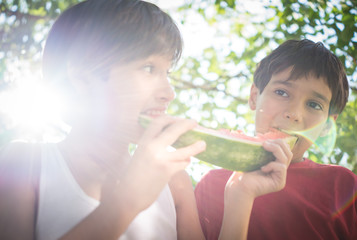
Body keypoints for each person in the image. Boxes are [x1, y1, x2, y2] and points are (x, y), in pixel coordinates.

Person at [0, 0, 293, 239]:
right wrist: (126, 202)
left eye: (168, 72)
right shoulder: (25, 164)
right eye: (149, 68)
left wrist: (240, 196)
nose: (169, 93)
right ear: (83, 78)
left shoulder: (175, 181)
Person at [195, 39, 357, 240]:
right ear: (254, 96)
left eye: (314, 105)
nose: (293, 113)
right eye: (281, 92)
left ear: (327, 125)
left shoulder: (344, 187)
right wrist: (240, 195)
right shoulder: (211, 186)